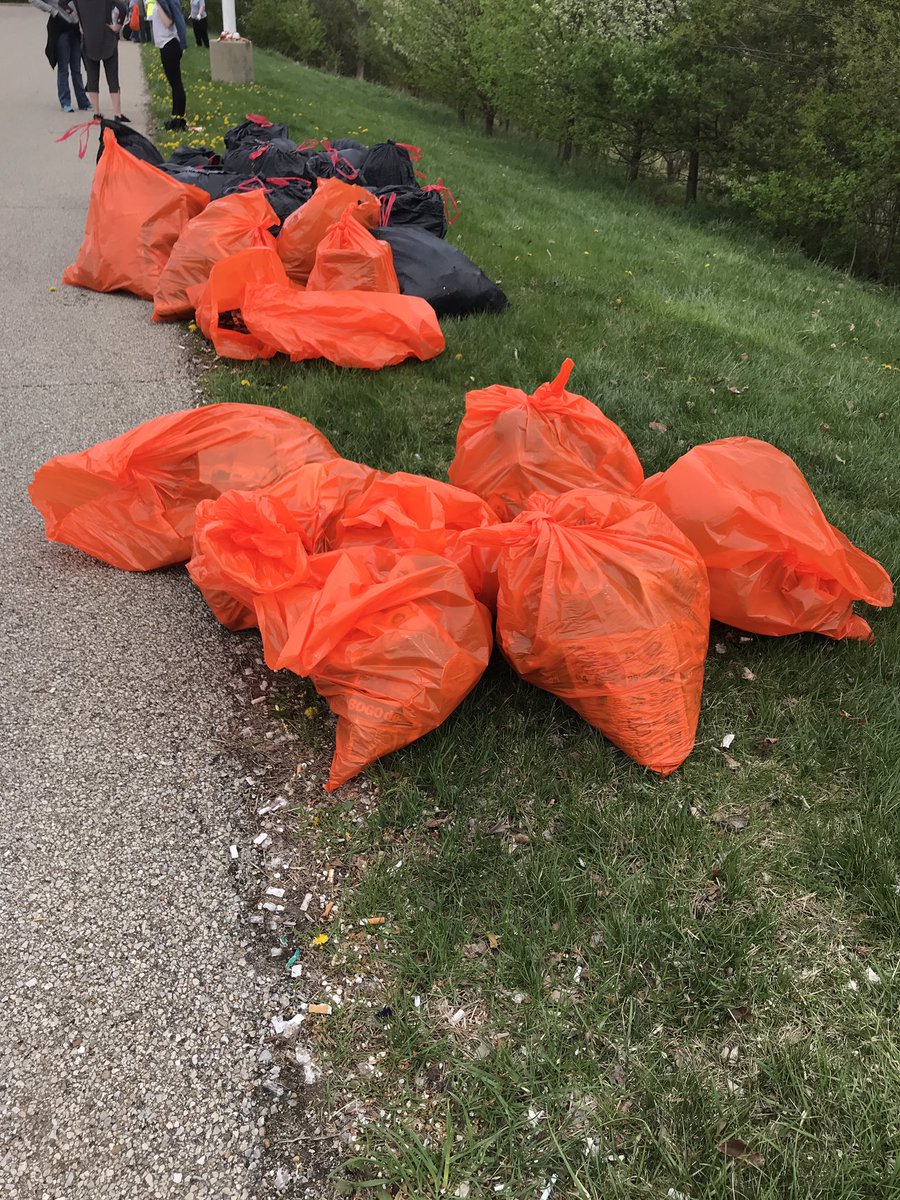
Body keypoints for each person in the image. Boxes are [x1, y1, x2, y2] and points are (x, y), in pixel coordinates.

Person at [30, 0, 91, 112]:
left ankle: (83, 102)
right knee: (63, 68)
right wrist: (51, 10)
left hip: (76, 29)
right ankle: (65, 102)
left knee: (76, 69)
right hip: (60, 29)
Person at [74, 0, 129, 122]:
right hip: (107, 36)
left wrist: (79, 21)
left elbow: (62, 3)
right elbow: (122, 7)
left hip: (89, 37)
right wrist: (118, 25)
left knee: (92, 76)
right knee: (112, 77)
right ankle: (117, 113)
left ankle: (96, 112)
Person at [153, 0, 188, 131]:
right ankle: (176, 115)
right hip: (166, 44)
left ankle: (179, 118)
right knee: (174, 83)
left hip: (169, 44)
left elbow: (168, 22)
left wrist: (159, 6)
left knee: (176, 82)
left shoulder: (163, 2)